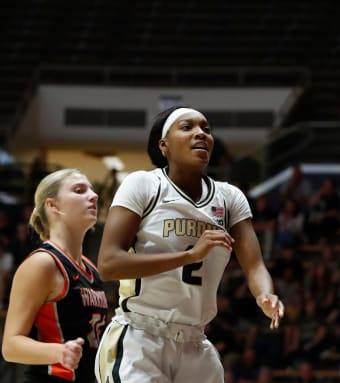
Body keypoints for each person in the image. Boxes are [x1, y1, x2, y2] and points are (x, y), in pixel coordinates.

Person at [94, 106, 284, 383]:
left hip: (195, 342)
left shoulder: (229, 198)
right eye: (187, 127)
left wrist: (265, 295)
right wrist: (190, 255)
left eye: (206, 129)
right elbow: (109, 264)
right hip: (140, 338)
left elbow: (254, 265)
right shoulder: (143, 185)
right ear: (164, 144)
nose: (201, 134)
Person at [2, 168, 108, 383]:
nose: (94, 196)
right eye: (79, 190)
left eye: (92, 190)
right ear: (53, 205)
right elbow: (11, 346)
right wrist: (59, 353)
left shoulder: (90, 267)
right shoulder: (43, 263)